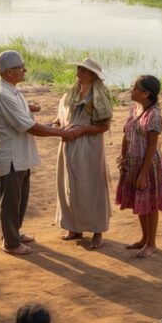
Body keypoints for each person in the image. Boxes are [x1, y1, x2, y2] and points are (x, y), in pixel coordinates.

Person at [0, 50, 77, 255]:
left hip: (19, 154)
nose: (25, 70)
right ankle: (10, 243)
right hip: (10, 155)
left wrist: (30, 107)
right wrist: (60, 133)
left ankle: (14, 233)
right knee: (11, 201)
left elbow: (22, 113)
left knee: (20, 197)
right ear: (9, 72)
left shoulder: (10, 89)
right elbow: (30, 127)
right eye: (21, 67)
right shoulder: (3, 93)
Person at [54, 59, 113, 249]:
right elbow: (61, 117)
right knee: (70, 185)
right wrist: (56, 125)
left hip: (90, 147)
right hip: (69, 145)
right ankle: (74, 227)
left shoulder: (100, 95)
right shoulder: (70, 93)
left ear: (93, 75)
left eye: (85, 70)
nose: (80, 72)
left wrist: (83, 130)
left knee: (92, 186)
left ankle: (98, 231)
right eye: (79, 68)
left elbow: (104, 126)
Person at [116, 75, 162, 258]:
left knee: (150, 204)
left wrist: (143, 173)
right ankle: (144, 238)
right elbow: (126, 133)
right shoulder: (136, 107)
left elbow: (152, 146)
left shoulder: (154, 115)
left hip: (148, 165)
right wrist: (123, 157)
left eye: (135, 87)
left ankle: (151, 243)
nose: (131, 89)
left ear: (146, 94)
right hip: (133, 162)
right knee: (140, 201)